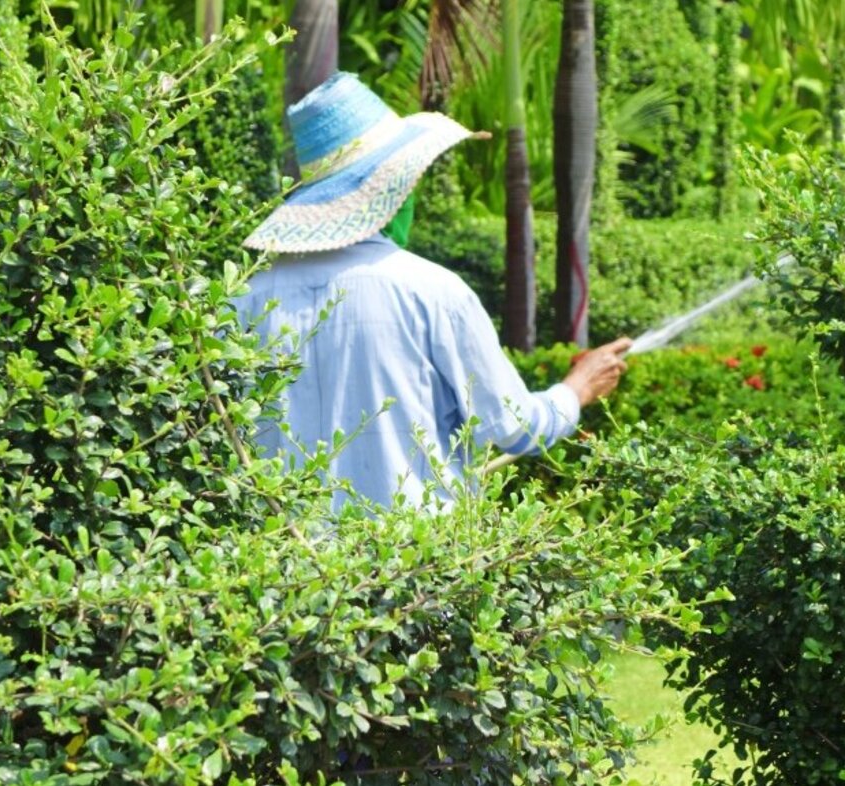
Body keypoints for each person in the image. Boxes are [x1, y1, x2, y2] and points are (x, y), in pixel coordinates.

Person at [236, 73, 631, 510]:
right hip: (415, 566)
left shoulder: (244, 298)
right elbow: (515, 428)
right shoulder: (432, 291)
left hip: (281, 567)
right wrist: (577, 389)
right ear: (394, 189)